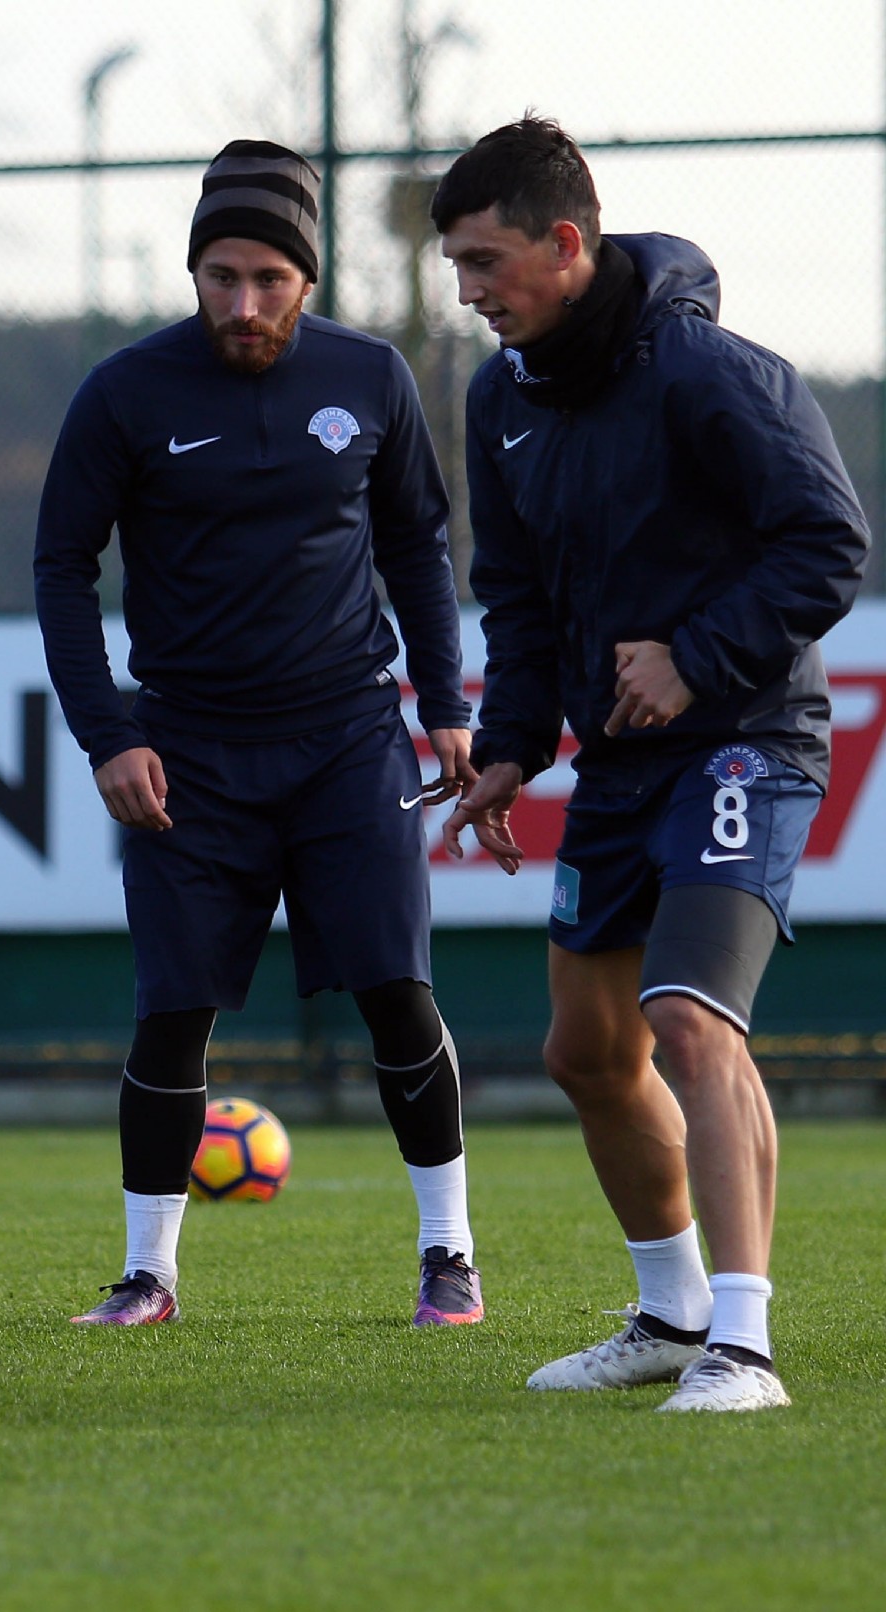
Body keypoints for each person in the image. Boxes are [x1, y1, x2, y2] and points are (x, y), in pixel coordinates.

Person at [433, 118, 868, 1412]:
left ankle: (746, 1345)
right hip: (618, 767)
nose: (467, 290)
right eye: (456, 265)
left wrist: (693, 655)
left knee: (690, 1018)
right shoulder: (500, 398)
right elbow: (517, 597)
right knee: (585, 1049)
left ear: (566, 244)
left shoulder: (709, 372)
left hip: (745, 742)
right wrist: (512, 746)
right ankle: (673, 1316)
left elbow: (827, 542)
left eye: (485, 260)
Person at [34, 140, 483, 1330]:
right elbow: (61, 566)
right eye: (222, 277)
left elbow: (418, 548)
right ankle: (149, 1276)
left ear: (308, 279)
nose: (243, 303)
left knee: (397, 991)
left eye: (269, 279)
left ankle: (449, 1256)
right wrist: (106, 734)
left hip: (348, 736)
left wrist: (445, 703)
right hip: (188, 752)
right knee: (173, 1009)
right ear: (194, 274)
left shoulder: (371, 375)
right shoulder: (126, 392)